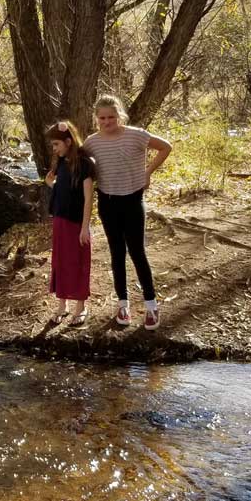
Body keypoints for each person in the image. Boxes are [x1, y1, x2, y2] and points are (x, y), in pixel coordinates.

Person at [82, 94, 172, 330]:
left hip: (132, 199)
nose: (107, 121)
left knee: (137, 251)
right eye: (102, 118)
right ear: (96, 118)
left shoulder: (136, 135)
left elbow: (165, 147)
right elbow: (74, 159)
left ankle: (151, 306)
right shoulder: (92, 142)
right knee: (116, 252)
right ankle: (123, 304)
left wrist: (148, 172)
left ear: (119, 115)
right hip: (107, 202)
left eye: (111, 117)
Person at [44, 120, 95, 327]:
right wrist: (51, 184)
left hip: (76, 223)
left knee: (78, 262)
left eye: (56, 145)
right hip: (60, 220)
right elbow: (64, 189)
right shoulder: (61, 163)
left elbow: (88, 197)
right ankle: (62, 305)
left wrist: (84, 227)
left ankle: (80, 306)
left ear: (68, 141)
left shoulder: (85, 163)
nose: (54, 149)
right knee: (61, 262)